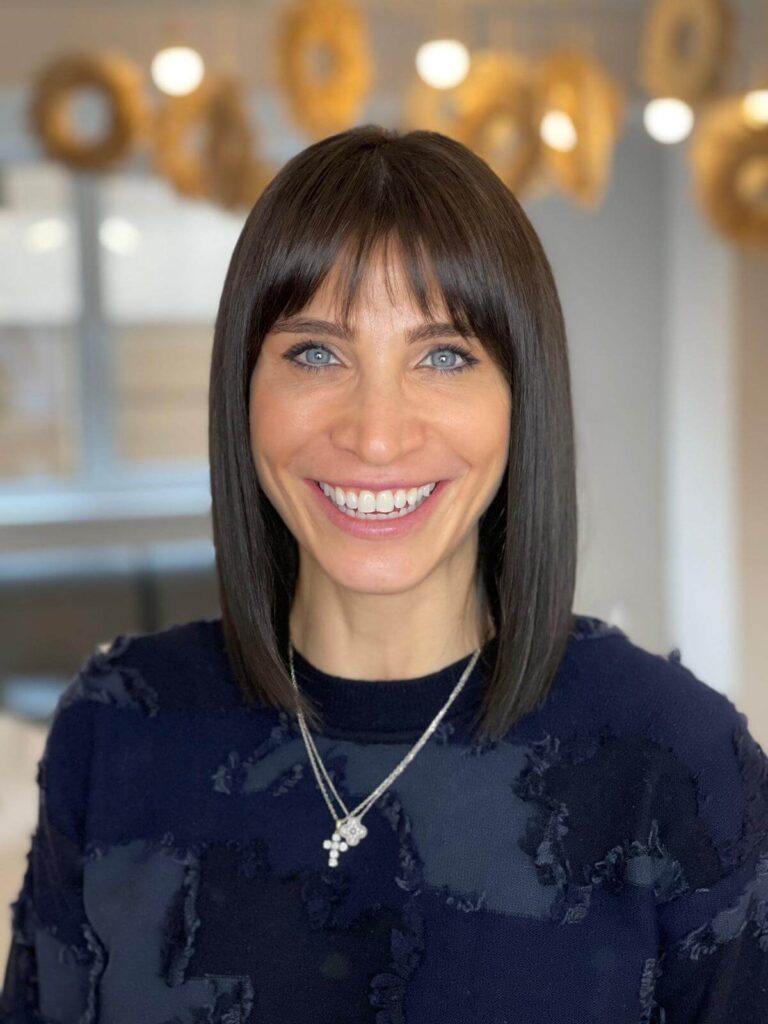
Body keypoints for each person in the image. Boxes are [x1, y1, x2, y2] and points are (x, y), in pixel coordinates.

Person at [2, 124, 767, 1024]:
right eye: (315, 353)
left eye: (444, 356)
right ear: (243, 391)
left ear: (521, 399)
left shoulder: (679, 763)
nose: (375, 435)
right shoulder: (114, 729)